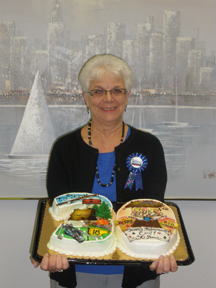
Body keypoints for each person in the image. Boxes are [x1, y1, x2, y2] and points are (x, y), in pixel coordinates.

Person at [32, 54, 178, 288]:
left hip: (136, 270)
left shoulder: (149, 147)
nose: (108, 99)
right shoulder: (64, 148)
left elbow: (154, 210)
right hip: (74, 268)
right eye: (98, 91)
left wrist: (163, 253)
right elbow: (57, 212)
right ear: (86, 98)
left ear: (127, 96)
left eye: (117, 91)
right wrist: (49, 251)